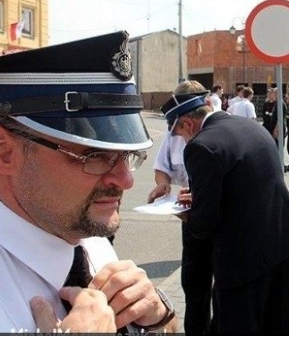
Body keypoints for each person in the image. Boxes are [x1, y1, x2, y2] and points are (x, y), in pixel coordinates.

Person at [0, 31, 178, 333]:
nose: (126, 180)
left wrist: (160, 318)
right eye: (94, 155)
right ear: (5, 151)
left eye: (128, 154)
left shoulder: (88, 235)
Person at [160, 89, 289, 335]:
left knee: (235, 326)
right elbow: (245, 184)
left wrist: (184, 212)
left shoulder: (201, 146)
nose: (183, 140)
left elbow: (204, 225)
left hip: (243, 258)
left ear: (188, 123)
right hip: (282, 242)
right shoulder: (249, 126)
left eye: (180, 134)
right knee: (274, 325)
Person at [148, 80, 213, 335]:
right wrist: (163, 186)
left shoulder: (216, 131)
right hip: (191, 219)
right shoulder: (174, 132)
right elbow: (161, 167)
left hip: (220, 220)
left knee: (223, 287)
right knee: (194, 284)